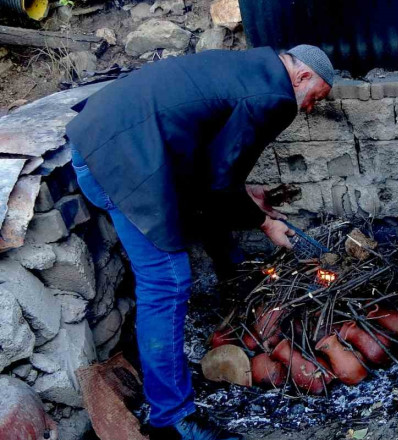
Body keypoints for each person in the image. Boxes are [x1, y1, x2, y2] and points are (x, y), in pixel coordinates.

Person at [65, 45, 334, 440]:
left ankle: (178, 365)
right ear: (303, 77)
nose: (309, 108)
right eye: (315, 99)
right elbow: (219, 181)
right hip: (117, 162)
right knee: (167, 281)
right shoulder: (275, 97)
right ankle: (171, 419)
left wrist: (246, 195)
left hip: (105, 139)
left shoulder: (255, 66)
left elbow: (214, 152)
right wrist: (263, 222)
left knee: (196, 229)